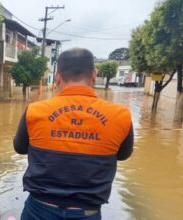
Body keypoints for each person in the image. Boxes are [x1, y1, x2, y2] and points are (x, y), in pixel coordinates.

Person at [14, 48, 133, 220]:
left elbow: (19, 148)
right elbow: (123, 155)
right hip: (88, 212)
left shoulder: (34, 111)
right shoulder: (120, 115)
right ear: (94, 75)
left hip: (39, 209)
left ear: (57, 77)